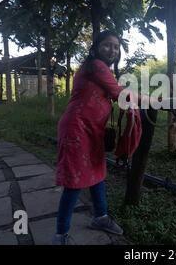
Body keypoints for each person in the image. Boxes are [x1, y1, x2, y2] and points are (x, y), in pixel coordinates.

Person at [52, 30, 133, 245]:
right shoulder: (96, 65)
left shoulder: (101, 69)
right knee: (74, 182)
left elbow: (115, 91)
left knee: (97, 172)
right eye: (106, 45)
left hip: (92, 130)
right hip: (76, 129)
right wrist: (153, 100)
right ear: (96, 47)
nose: (112, 50)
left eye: (116, 47)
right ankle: (60, 236)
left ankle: (101, 217)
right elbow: (119, 94)